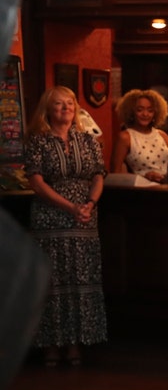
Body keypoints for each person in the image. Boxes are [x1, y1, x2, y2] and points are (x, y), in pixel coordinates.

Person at [24, 86, 107, 367]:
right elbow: (36, 182)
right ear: (48, 109)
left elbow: (98, 175)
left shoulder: (88, 140)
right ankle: (51, 344)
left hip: (85, 217)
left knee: (80, 280)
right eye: (58, 104)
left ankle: (76, 343)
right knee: (52, 282)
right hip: (51, 217)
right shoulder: (38, 141)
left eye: (69, 104)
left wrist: (89, 204)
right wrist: (69, 206)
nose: (65, 109)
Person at [111, 88, 168, 183]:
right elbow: (115, 174)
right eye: (140, 110)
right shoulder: (125, 137)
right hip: (143, 189)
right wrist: (144, 176)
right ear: (131, 112)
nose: (145, 114)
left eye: (150, 110)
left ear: (156, 113)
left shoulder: (162, 135)